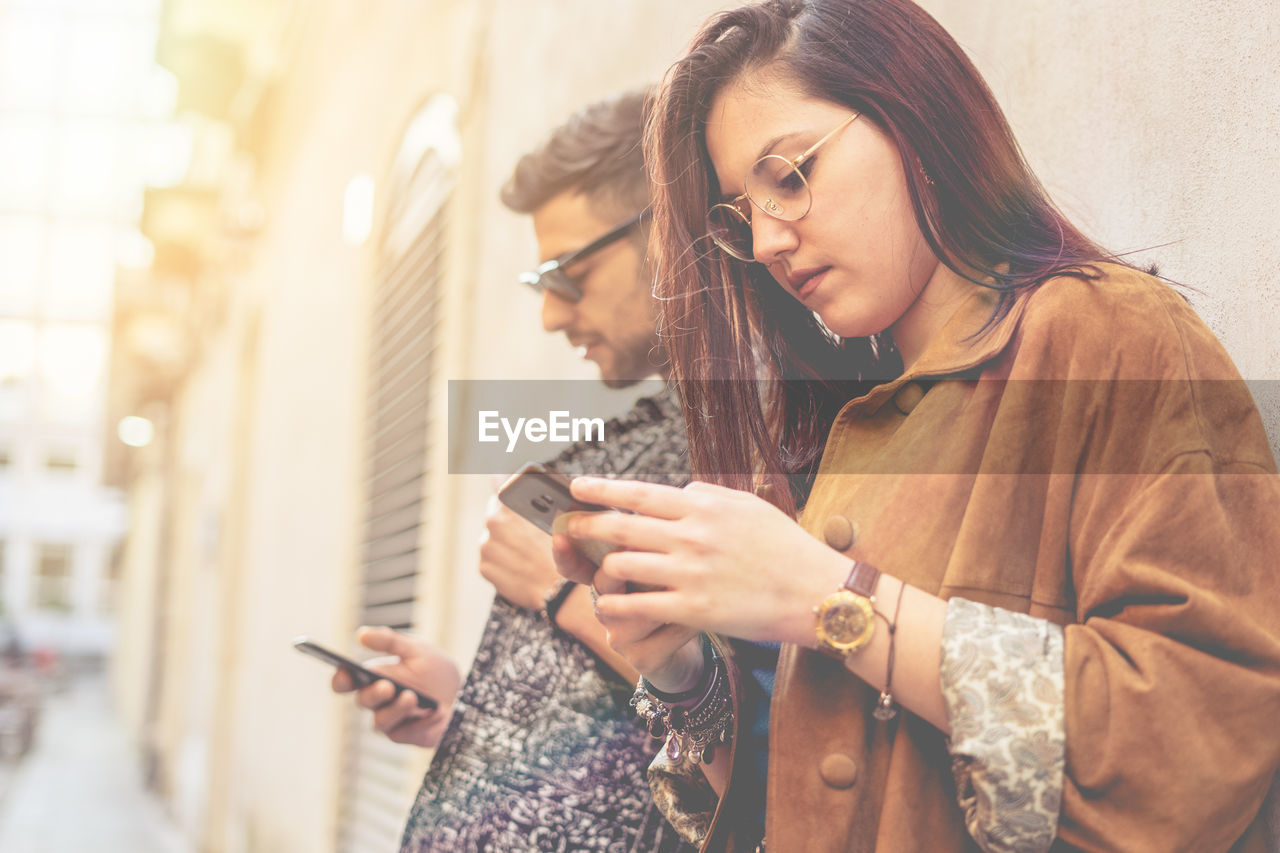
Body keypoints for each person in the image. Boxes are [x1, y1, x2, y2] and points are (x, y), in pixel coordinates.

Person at [552, 1, 1280, 851]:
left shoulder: (1107, 336)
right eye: (739, 214)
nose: (771, 241)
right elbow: (815, 793)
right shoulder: (850, 417)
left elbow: (1195, 749)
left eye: (789, 174)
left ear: (913, 117)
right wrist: (682, 671)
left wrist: (826, 596)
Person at [331, 90, 693, 852]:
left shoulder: (764, 437)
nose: (552, 315)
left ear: (667, 223)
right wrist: (468, 712)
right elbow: (621, 745)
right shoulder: (673, 425)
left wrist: (560, 591)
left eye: (568, 274)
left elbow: (751, 718)